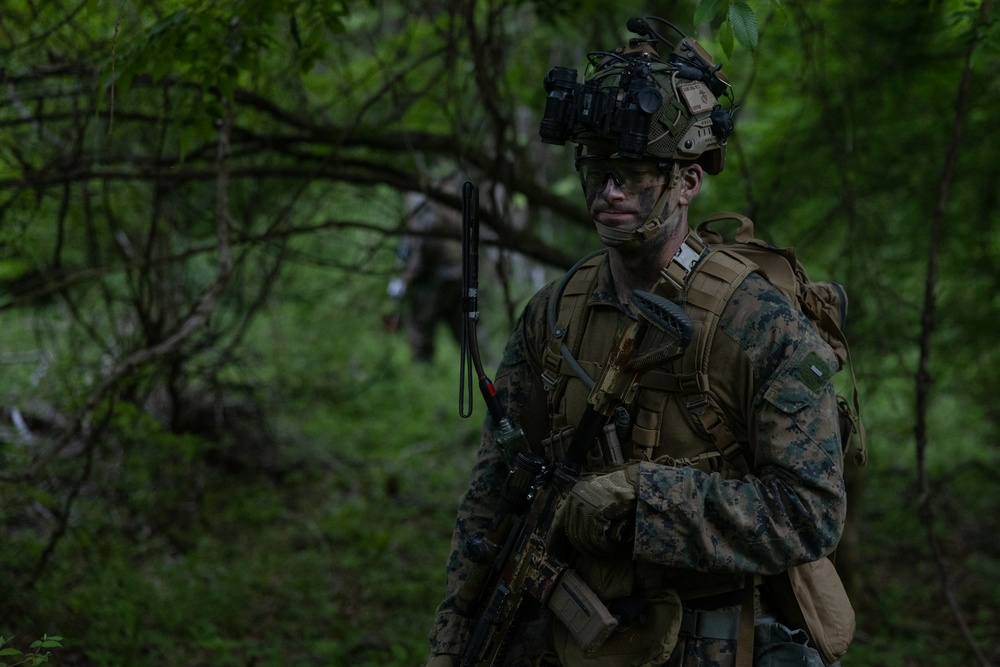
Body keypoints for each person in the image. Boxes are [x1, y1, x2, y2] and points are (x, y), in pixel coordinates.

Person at [426, 16, 849, 667]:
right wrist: (455, 622)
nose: (609, 190)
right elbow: (495, 487)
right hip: (584, 636)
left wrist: (644, 499)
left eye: (633, 171)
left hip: (719, 638)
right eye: (596, 169)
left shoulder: (758, 323)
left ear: (687, 182)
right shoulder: (555, 313)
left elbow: (810, 512)